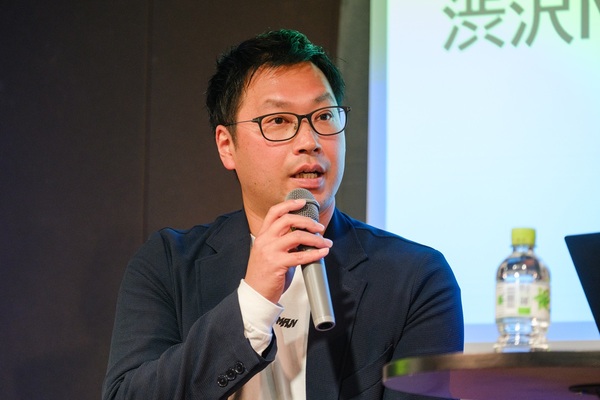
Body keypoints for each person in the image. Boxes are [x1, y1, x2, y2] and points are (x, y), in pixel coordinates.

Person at [102, 29, 463, 400]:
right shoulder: (169, 264)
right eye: (278, 121)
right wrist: (253, 303)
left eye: (324, 116)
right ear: (227, 146)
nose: (310, 141)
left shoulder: (414, 279)